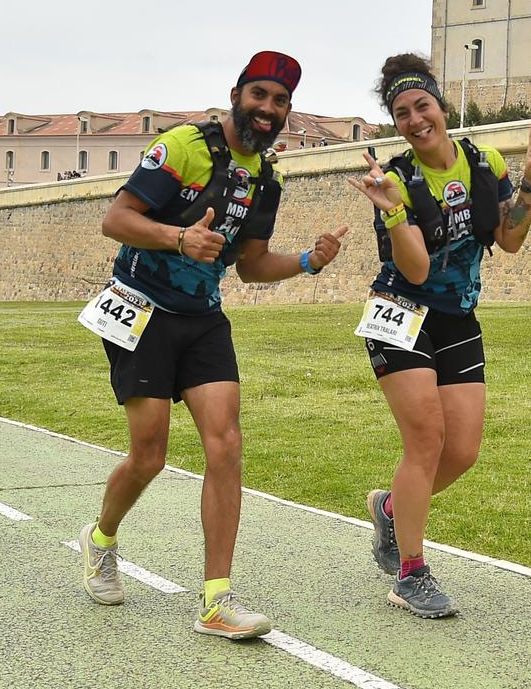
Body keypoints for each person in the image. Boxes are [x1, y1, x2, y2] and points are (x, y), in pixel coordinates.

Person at [81, 51, 349, 641]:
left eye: (279, 102)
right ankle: (101, 538)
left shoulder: (266, 180)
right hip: (140, 309)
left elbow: (251, 266)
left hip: (203, 319)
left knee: (225, 445)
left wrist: (308, 261)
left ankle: (215, 603)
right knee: (149, 455)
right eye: (260, 96)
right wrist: (179, 237)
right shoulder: (181, 147)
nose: (268, 109)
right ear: (236, 94)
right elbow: (116, 219)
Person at [348, 53, 531, 618]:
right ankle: (411, 572)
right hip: (400, 312)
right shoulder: (394, 181)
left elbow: (509, 240)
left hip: (457, 317)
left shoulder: (481, 160)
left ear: (441, 106)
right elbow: (416, 271)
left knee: (462, 451)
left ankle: (392, 510)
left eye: (422, 106)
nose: (415, 120)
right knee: (425, 440)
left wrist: (530, 189)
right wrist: (394, 216)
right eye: (402, 113)